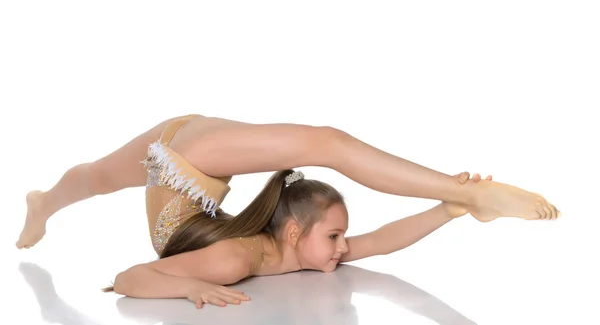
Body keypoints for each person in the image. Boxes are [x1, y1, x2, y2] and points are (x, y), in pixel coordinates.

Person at [16, 114, 559, 308]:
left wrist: (447, 212)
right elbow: (129, 279)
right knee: (324, 141)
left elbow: (382, 240)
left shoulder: (289, 253)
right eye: (337, 237)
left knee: (327, 142)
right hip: (187, 156)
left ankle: (467, 197)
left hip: (186, 158)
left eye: (340, 239)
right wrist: (186, 287)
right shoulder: (241, 259)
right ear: (296, 231)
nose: (346, 247)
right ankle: (44, 203)